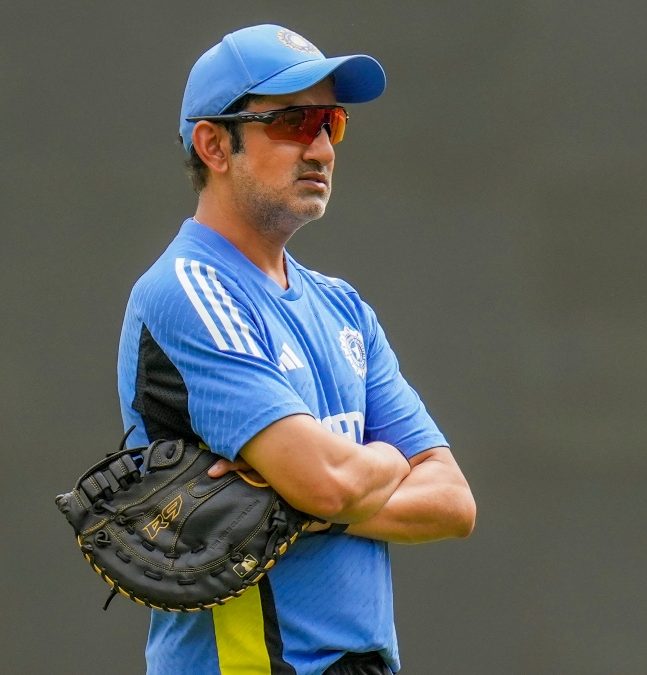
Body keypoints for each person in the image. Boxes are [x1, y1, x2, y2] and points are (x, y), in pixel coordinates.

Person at [116, 24, 475, 675]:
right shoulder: (188, 289)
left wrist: (299, 505)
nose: (319, 147)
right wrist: (383, 461)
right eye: (291, 121)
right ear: (213, 144)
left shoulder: (342, 306)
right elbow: (327, 481)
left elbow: (452, 501)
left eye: (330, 122)